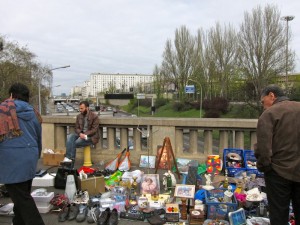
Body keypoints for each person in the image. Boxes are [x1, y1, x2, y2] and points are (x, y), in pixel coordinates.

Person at [0, 83, 45, 225]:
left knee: (22, 198)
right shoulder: (34, 112)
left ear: (12, 95)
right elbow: (38, 137)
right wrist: (36, 155)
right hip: (30, 157)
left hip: (11, 160)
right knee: (22, 196)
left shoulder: (3, 110)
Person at [255, 84, 300, 225]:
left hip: (278, 173)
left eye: (263, 102)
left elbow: (263, 149)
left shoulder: (269, 114)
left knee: (279, 214)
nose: (263, 106)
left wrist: (265, 167)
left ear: (271, 96)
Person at [62, 101, 99, 165]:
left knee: (74, 143)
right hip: (81, 134)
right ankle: (69, 159)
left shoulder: (94, 116)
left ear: (87, 108)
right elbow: (76, 128)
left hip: (91, 137)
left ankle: (70, 162)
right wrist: (80, 134)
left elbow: (94, 130)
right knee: (70, 137)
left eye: (82, 108)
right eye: (80, 108)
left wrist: (85, 134)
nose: (80, 110)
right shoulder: (79, 116)